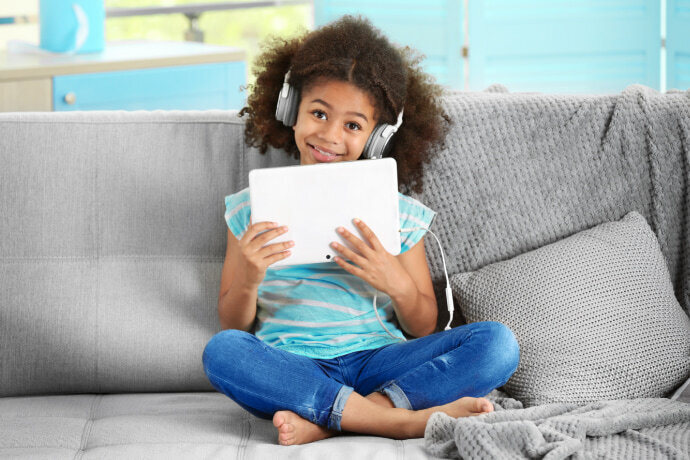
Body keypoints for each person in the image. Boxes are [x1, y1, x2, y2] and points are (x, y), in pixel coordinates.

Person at [202, 15, 520, 446]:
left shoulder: (399, 214)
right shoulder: (247, 209)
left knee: (498, 344)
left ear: (376, 138)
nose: (330, 135)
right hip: (292, 365)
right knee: (223, 353)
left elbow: (425, 327)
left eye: (353, 125)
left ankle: (341, 417)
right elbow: (231, 324)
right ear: (290, 110)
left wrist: (395, 282)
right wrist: (250, 278)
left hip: (379, 360)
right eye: (318, 113)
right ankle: (399, 421)